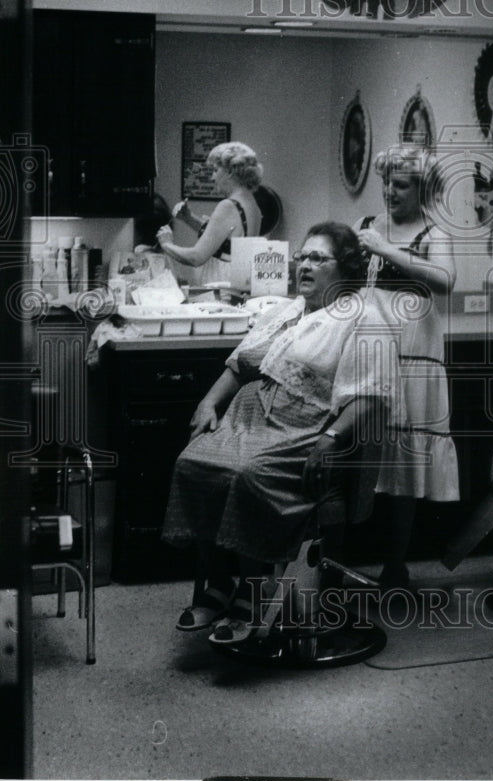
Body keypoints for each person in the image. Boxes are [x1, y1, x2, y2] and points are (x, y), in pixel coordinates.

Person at [161, 222, 400, 645]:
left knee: (247, 475)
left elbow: (371, 396)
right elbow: (240, 364)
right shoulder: (288, 310)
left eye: (317, 258)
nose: (304, 265)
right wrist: (209, 402)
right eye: (302, 257)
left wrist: (330, 440)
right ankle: (217, 585)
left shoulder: (363, 319)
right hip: (251, 414)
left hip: (306, 426)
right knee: (193, 462)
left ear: (344, 268)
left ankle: (252, 597)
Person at [354, 146, 460, 590]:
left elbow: (445, 281)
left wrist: (386, 249)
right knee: (360, 454)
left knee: (404, 460)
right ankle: (341, 556)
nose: (389, 192)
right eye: (386, 182)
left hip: (415, 359)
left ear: (423, 189)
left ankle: (395, 564)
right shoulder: (365, 227)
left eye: (401, 185)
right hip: (368, 350)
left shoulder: (435, 232)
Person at [156, 142, 263, 284]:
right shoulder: (252, 206)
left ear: (230, 171)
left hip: (219, 287)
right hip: (236, 284)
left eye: (215, 170)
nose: (212, 178)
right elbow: (225, 241)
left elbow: (196, 257)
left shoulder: (228, 206)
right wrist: (189, 218)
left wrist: (166, 244)